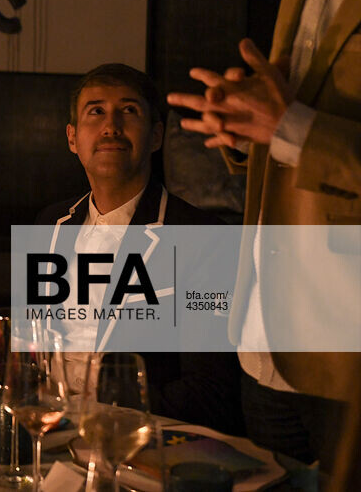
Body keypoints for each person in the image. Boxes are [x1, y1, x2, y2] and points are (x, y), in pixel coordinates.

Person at [167, 0, 361, 468]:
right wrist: (244, 129)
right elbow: (288, 132)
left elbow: (296, 129)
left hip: (345, 351)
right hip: (263, 340)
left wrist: (288, 127)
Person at [37, 64, 244, 435]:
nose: (111, 126)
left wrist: (102, 415)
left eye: (129, 110)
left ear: (156, 136)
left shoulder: (205, 239)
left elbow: (210, 390)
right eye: (95, 111)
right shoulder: (48, 225)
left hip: (138, 439)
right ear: (72, 138)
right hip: (44, 429)